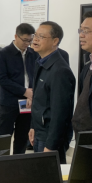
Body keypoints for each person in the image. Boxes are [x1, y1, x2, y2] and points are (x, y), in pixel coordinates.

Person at [28, 22, 75, 163]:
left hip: (50, 136)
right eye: (35, 35)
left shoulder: (60, 71)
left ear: (55, 41)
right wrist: (33, 126)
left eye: (41, 37)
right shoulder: (41, 62)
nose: (35, 39)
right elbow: (38, 100)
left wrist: (51, 145)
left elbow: (60, 113)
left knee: (49, 174)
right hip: (40, 131)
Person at [0, 23, 37, 155]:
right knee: (4, 135)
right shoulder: (3, 54)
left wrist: (31, 93)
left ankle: (18, 161)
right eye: (25, 40)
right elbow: (2, 79)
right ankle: (1, 162)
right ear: (16, 36)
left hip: (27, 102)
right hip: (9, 101)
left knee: (22, 135)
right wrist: (24, 91)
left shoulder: (33, 53)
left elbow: (36, 76)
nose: (27, 43)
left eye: (30, 40)